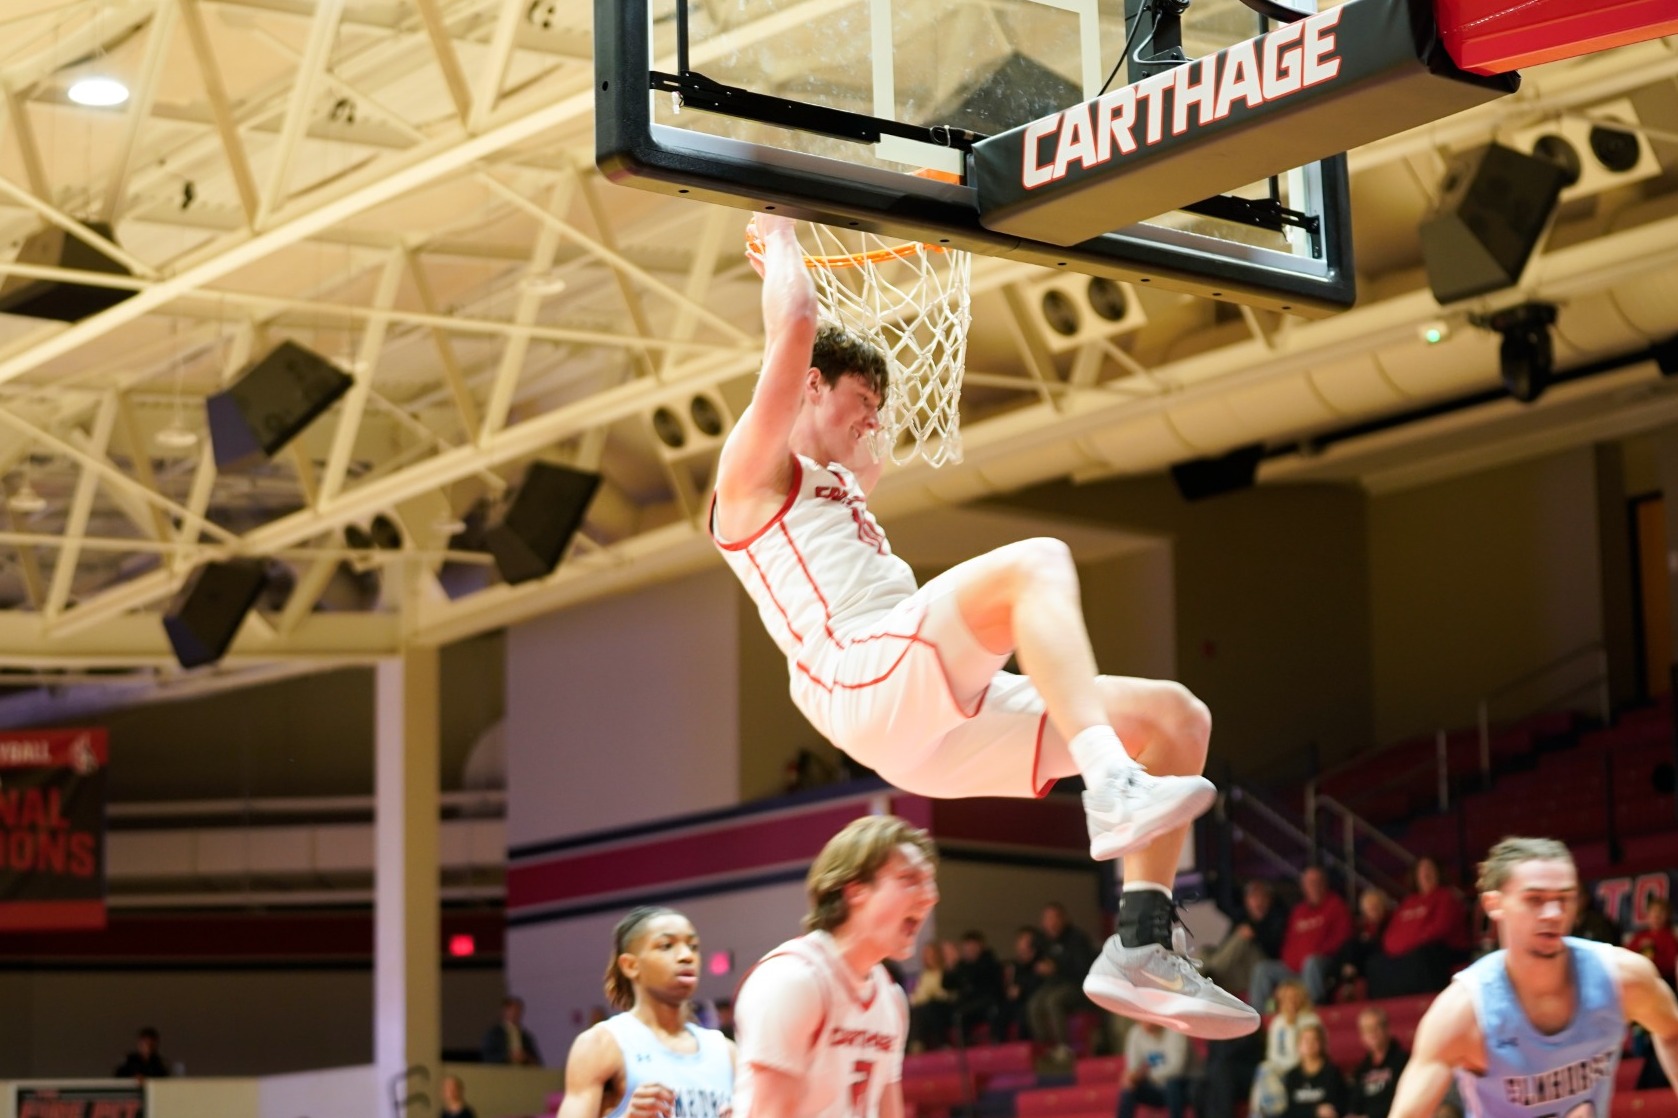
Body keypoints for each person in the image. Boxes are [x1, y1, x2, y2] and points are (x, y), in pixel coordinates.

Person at [714, 212, 1254, 1039]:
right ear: (812, 388)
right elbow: (794, 326)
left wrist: (862, 431)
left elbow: (860, 452)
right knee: (1035, 562)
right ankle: (1110, 786)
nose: (873, 421)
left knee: (1179, 719)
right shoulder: (754, 476)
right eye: (863, 401)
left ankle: (1143, 941)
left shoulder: (839, 491)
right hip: (858, 675)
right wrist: (779, 236)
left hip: (929, 724)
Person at [1386, 836, 1678, 1118]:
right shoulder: (1463, 1013)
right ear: (1494, 905)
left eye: (1563, 898)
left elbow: (1672, 1033)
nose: (1552, 913)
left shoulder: (1623, 978)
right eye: (1535, 899)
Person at [732, 814, 938, 1118]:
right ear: (855, 890)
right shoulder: (793, 979)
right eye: (909, 880)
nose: (931, 897)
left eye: (930, 883)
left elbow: (887, 1109)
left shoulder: (890, 997)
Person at [557, 906, 735, 1118]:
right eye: (666, 946)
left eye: (693, 946)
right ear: (631, 965)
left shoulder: (727, 1052)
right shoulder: (602, 1044)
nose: (687, 956)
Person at [1250, 868, 1354, 1011]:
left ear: (1324, 884)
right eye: (1309, 883)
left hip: (1324, 964)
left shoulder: (1336, 905)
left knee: (1311, 962)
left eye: (1317, 882)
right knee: (1263, 969)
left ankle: (1312, 1010)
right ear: (1303, 887)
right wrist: (1292, 961)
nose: (1313, 887)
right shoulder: (1298, 911)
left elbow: (1343, 939)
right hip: (1295, 968)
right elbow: (1288, 943)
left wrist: (1315, 953)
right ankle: (1257, 1019)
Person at [1368, 858, 1467, 998]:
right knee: (1375, 964)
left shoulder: (1446, 896)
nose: (1426, 874)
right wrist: (1400, 948)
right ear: (1415, 876)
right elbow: (1390, 936)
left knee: (1423, 956)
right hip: (1410, 951)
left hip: (1441, 950)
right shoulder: (1408, 902)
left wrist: (1409, 943)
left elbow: (1440, 929)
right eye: (1422, 871)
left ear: (1438, 873)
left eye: (1429, 870)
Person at [1030, 902, 1097, 1063]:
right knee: (1034, 1004)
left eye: (1054, 918)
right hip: (1053, 985)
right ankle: (1046, 1046)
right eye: (1047, 919)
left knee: (1053, 1001)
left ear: (1064, 919)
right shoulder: (1043, 941)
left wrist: (1057, 967)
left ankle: (1063, 1047)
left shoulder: (1077, 938)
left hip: (1077, 986)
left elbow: (1083, 968)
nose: (1051, 923)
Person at [1202, 880, 1289, 1002]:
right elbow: (1226, 949)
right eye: (1253, 897)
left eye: (1261, 897)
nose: (1258, 902)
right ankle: (1205, 973)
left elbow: (1275, 948)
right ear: (1247, 901)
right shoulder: (1242, 920)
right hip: (1240, 971)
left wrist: (1255, 934)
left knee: (1242, 937)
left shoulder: (1277, 918)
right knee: (1205, 950)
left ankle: (1208, 973)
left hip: (1263, 969)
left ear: (1269, 899)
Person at [1251, 981, 1321, 1118]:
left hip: (1302, 1068)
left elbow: (1303, 1054)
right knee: (1264, 1069)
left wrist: (1292, 1025)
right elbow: (1272, 1055)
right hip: (1280, 1069)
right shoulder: (1277, 1022)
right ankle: (1262, 1112)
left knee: (1265, 1075)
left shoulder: (1310, 1020)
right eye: (1287, 998)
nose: (1291, 1001)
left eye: (1294, 997)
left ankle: (1271, 1112)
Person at [1120, 1020, 1192, 1118]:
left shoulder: (1175, 1031)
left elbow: (1176, 1069)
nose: (1146, 1024)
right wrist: (1131, 1077)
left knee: (1172, 1084)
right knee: (1129, 1089)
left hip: (1184, 1085)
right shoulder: (1136, 1032)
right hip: (1157, 1086)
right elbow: (1133, 1067)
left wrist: (1146, 1075)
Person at [1348, 1006, 1407, 1118]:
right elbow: (1355, 1104)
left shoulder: (1403, 1061)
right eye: (1367, 1029)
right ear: (1362, 1036)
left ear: (1387, 1029)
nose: (1372, 1033)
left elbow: (1404, 1100)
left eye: (1376, 1027)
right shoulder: (1362, 1069)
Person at [948, 930, 1006, 1042]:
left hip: (987, 1000)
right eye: (966, 946)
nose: (969, 950)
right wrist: (951, 967)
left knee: (963, 1014)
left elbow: (980, 978)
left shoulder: (989, 961)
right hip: (969, 1002)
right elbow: (948, 984)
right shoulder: (962, 965)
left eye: (971, 946)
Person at [1336, 890, 1392, 1001]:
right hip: (1361, 963)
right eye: (1369, 908)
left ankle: (1349, 981)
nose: (1373, 911)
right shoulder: (1360, 928)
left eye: (1376, 907)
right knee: (1348, 948)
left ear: (1383, 907)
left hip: (1381, 959)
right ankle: (1345, 981)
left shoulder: (1390, 922)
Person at [1281, 1023, 1347, 1118]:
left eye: (1314, 1039)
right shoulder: (1292, 1075)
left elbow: (1339, 1106)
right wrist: (1314, 1111)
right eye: (1306, 1040)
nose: (1310, 1044)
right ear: (1298, 1045)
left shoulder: (1332, 1073)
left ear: (1321, 1043)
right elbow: (1290, 1110)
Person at [909, 941, 957, 1051]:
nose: (926, 958)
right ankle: (915, 1045)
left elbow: (945, 991)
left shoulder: (945, 971)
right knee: (916, 1010)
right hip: (925, 1007)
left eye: (929, 954)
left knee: (929, 1007)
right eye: (925, 955)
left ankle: (941, 1043)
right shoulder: (925, 974)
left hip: (944, 1006)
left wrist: (929, 995)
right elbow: (919, 993)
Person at [1002, 926, 1046, 1041]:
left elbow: (1039, 984)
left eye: (1027, 941)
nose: (1023, 945)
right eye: (1020, 940)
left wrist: (1021, 989)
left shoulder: (1040, 962)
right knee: (998, 1012)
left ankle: (1028, 1046)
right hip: (1016, 1002)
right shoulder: (1013, 966)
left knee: (1025, 1012)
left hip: (1032, 998)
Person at [1628, 896, 1677, 987]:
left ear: (1667, 916)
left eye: (1661, 913)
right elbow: (1627, 956)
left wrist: (1653, 956)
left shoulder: (1669, 938)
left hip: (1660, 983)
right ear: (1648, 915)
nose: (1657, 916)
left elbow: (1672, 965)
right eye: (1654, 912)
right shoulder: (1639, 937)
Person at [482, 995, 543, 1066]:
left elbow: (537, 1061)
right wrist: (507, 1056)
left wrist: (525, 1057)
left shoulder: (525, 1036)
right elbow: (487, 1057)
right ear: (505, 1011)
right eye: (513, 1010)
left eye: (518, 1010)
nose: (515, 1013)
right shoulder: (494, 1034)